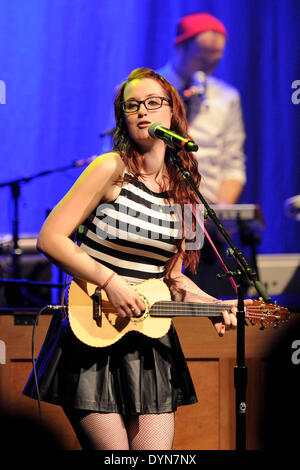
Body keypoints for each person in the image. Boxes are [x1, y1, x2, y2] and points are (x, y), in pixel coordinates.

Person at [23, 68, 250, 451]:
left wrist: (212, 305)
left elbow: (174, 281)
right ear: (123, 118)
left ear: (173, 113)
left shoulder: (187, 192)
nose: (143, 112)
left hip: (149, 343)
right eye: (132, 106)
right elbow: (51, 237)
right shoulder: (109, 168)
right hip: (90, 333)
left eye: (153, 103)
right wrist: (111, 281)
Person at [157, 12, 246, 206]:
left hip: (205, 212)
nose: (206, 68)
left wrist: (222, 214)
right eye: (201, 60)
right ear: (179, 48)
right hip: (151, 207)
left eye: (214, 62)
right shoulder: (141, 90)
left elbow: (233, 164)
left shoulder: (227, 97)